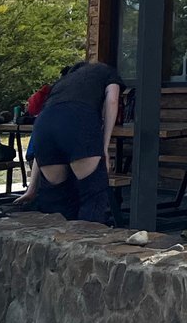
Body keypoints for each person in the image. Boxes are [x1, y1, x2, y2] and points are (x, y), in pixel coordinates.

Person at [32, 61, 122, 224]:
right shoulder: (106, 71)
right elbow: (112, 101)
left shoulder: (61, 84)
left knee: (56, 199)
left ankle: (52, 246)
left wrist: (32, 188)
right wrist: (104, 146)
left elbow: (40, 141)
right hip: (79, 121)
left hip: (43, 125)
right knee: (92, 194)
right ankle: (88, 244)